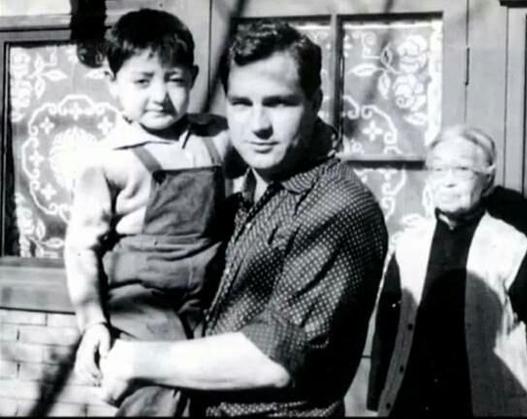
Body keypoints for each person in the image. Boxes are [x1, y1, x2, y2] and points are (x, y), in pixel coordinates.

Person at [96, 20, 389, 416]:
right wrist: (97, 329)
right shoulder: (245, 194)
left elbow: (274, 359)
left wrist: (134, 360)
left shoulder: (337, 209)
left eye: (279, 103)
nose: (258, 125)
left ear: (315, 102)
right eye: (241, 104)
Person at [64, 8, 239, 416]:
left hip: (208, 288)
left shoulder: (218, 137)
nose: (160, 95)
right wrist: (93, 323)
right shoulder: (108, 159)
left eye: (174, 79)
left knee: (215, 384)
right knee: (157, 384)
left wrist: (317, 137)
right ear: (113, 82)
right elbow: (80, 248)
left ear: (193, 78)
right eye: (142, 81)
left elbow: (265, 145)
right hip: (143, 296)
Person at [367, 125, 527, 417]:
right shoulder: (409, 246)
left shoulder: (512, 249)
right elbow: (387, 330)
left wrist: (525, 394)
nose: (448, 182)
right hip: (412, 404)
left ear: (487, 179)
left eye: (462, 170)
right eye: (438, 170)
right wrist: (378, 400)